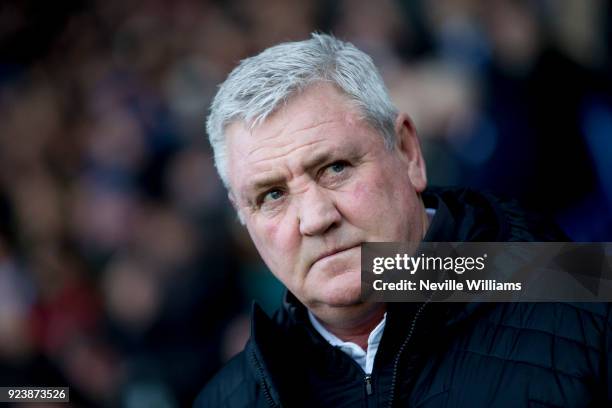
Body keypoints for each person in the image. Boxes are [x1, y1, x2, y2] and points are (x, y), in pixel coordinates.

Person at [194, 34, 611, 407]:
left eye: (335, 167)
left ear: (409, 152)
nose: (316, 218)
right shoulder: (225, 400)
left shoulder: (586, 294)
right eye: (272, 195)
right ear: (242, 216)